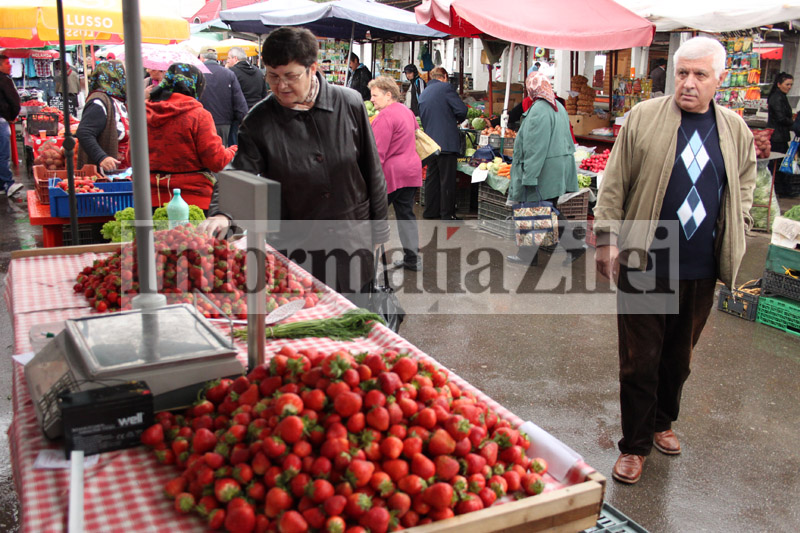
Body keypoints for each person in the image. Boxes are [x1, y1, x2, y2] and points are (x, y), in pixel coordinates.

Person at [593, 36, 756, 485]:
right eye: (682, 72)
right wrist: (606, 239)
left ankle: (664, 420)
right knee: (639, 358)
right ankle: (635, 445)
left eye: (700, 75)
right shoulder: (644, 118)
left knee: (678, 359)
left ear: (719, 80)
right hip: (647, 259)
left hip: (702, 265)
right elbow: (614, 183)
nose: (688, 83)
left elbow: (746, 181)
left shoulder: (735, 130)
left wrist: (738, 221)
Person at [200, 27, 389, 299]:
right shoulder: (259, 120)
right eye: (272, 76)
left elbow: (372, 170)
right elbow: (239, 172)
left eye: (290, 76)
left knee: (354, 318)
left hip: (351, 237)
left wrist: (379, 229)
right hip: (296, 246)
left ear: (312, 68)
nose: (281, 85)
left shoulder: (349, 102)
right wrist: (222, 213)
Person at [506, 72, 580, 267]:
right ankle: (529, 255)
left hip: (543, 171)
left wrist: (529, 176)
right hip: (556, 168)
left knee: (539, 210)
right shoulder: (558, 107)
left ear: (532, 88)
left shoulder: (539, 109)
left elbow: (535, 147)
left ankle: (572, 247)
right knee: (544, 210)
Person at [146, 63, 236, 211]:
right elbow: (216, 161)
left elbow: (132, 159)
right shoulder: (198, 115)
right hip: (194, 201)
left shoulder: (144, 112)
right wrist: (234, 150)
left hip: (151, 200)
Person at [369, 76, 423, 271]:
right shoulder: (406, 111)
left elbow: (377, 154)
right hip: (411, 171)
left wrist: (369, 181)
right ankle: (412, 259)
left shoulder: (384, 117)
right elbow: (415, 133)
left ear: (388, 94)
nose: (372, 99)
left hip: (392, 175)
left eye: (375, 95)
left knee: (373, 218)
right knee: (406, 215)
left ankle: (366, 264)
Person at [418, 67, 468, 221]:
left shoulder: (424, 92)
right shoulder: (446, 88)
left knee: (433, 178)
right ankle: (447, 214)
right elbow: (461, 110)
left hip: (430, 142)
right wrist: (456, 119)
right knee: (447, 180)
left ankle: (431, 211)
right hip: (446, 141)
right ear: (445, 76)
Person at [76, 61, 130, 173]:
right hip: (106, 172)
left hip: (123, 169)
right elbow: (84, 132)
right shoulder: (98, 102)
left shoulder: (117, 99)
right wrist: (102, 157)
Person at [198, 47, 248, 147]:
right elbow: (238, 100)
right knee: (222, 153)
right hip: (224, 123)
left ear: (202, 57)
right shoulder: (229, 74)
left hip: (201, 122)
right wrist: (244, 119)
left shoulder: (197, 73)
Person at [226, 46, 268, 146]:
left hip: (239, 117)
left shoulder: (232, 73)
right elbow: (264, 94)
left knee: (237, 147)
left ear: (235, 58)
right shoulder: (258, 72)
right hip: (257, 113)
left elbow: (230, 96)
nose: (227, 61)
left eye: (228, 58)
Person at [0, 54, 23, 198]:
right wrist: (12, 117)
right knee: (3, 154)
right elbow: (15, 102)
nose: (10, 65)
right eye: (7, 63)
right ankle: (8, 184)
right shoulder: (4, 80)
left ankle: (2, 185)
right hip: (1, 121)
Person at [767, 72, 794, 155]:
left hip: (779, 135)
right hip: (777, 136)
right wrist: (793, 121)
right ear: (779, 84)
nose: (789, 87)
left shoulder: (781, 96)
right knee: (779, 160)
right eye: (787, 84)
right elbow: (781, 118)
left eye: (791, 85)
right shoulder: (777, 98)